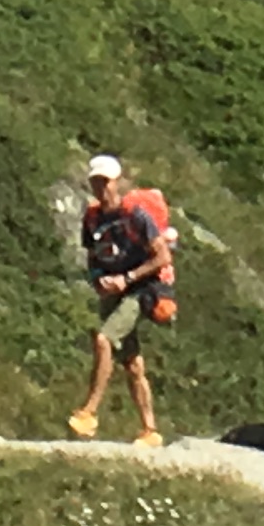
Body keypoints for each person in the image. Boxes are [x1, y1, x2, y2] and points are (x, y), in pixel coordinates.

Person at [69, 154, 175, 446]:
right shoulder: (92, 218)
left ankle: (88, 412)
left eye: (106, 182)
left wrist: (126, 279)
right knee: (132, 363)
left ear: (117, 182)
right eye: (96, 182)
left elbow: (162, 256)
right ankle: (150, 430)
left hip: (142, 288)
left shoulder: (136, 215)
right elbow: (93, 256)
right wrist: (97, 278)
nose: (101, 188)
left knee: (104, 339)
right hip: (113, 289)